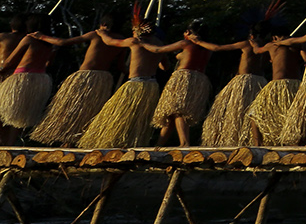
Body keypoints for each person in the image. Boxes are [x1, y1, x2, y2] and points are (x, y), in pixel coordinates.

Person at [79, 9, 178, 149]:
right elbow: (165, 67)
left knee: (117, 116)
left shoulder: (134, 41)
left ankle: (110, 144)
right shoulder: (159, 44)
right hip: (151, 85)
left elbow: (110, 42)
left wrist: (101, 33)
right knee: (137, 119)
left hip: (135, 85)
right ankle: (132, 143)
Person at [28, 14, 121, 147]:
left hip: (86, 77)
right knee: (88, 111)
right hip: (104, 79)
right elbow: (120, 66)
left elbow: (63, 42)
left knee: (72, 109)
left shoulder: (96, 34)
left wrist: (41, 37)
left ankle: (67, 142)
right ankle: (71, 142)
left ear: (103, 25)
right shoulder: (122, 40)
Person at [153, 22, 232, 147]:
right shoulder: (206, 48)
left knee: (178, 111)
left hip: (184, 78)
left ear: (189, 32)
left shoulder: (185, 43)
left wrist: (141, 43)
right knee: (172, 114)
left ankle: (184, 143)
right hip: (199, 80)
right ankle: (159, 144)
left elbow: (158, 50)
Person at [200, 26, 271, 148]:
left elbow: (218, 48)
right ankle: (253, 141)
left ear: (252, 36)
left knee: (236, 112)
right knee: (253, 114)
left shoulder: (247, 44)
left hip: (244, 82)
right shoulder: (267, 47)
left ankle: (234, 140)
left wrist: (197, 42)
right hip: (261, 82)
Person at [0, 15, 64, 144]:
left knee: (6, 113)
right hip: (34, 79)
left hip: (16, 77)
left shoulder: (22, 38)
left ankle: (6, 144)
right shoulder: (45, 42)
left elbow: (8, 62)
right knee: (16, 115)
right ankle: (10, 144)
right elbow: (48, 63)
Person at [247, 24, 305, 146]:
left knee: (254, 113)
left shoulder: (272, 46)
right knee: (295, 115)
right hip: (296, 85)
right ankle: (296, 143)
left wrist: (254, 44)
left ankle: (258, 145)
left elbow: (257, 51)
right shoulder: (297, 44)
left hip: (278, 84)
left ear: (274, 37)